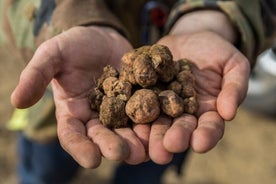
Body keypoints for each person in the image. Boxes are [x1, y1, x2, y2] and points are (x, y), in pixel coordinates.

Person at [3, 0, 276, 183]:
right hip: (65, 96)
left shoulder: (170, 85)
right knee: (43, 170)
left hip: (169, 126)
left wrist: (214, 16)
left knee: (150, 167)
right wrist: (75, 17)